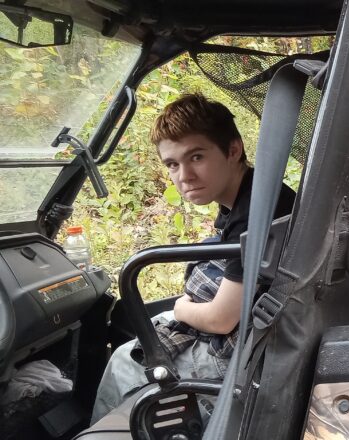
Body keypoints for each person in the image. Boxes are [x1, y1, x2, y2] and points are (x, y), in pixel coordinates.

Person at [91, 94, 297, 422]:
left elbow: (221, 319)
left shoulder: (254, 213)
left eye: (196, 156)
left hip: (254, 354)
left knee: (123, 361)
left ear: (233, 150)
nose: (183, 175)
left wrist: (181, 307)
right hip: (265, 332)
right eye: (172, 164)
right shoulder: (253, 193)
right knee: (147, 327)